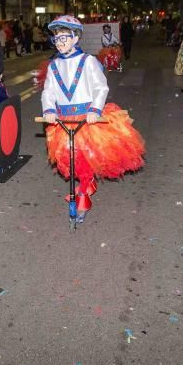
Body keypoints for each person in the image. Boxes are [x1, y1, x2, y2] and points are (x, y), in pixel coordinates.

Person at [40, 16, 145, 224]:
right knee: (69, 157)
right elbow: (48, 91)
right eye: (56, 39)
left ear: (75, 37)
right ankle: (84, 184)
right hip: (64, 119)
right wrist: (49, 109)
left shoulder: (88, 61)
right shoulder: (53, 66)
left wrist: (95, 109)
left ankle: (83, 195)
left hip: (86, 118)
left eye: (64, 38)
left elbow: (101, 87)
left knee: (86, 157)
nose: (60, 43)